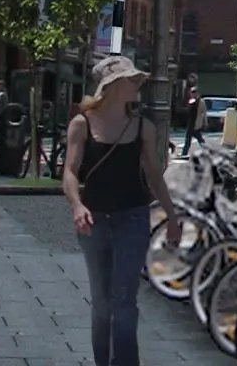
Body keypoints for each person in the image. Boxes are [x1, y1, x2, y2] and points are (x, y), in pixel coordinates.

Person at [62, 55, 180, 366]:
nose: (137, 85)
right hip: (94, 219)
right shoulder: (82, 124)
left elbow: (154, 176)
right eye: (131, 80)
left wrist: (172, 216)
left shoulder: (143, 127)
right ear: (112, 86)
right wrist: (76, 205)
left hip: (132, 216)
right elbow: (70, 172)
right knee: (102, 303)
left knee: (124, 300)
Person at [179, 75, 203, 159]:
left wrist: (203, 122)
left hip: (195, 122)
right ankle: (184, 152)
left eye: (194, 92)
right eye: (192, 92)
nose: (192, 94)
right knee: (190, 139)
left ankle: (184, 152)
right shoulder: (193, 100)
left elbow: (202, 113)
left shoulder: (199, 101)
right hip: (191, 122)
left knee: (198, 139)